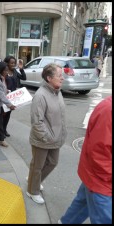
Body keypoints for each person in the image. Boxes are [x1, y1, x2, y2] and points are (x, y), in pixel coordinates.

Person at [59, 96, 112, 224]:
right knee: (104, 218)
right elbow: (99, 153)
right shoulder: (108, 110)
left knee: (83, 203)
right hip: (102, 179)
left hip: (97, 176)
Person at [26, 63, 67, 204]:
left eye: (62, 75)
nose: (63, 78)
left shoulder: (57, 91)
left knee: (52, 163)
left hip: (55, 138)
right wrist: (47, 137)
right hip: (42, 139)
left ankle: (34, 181)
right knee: (37, 166)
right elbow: (37, 122)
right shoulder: (40, 95)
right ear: (49, 78)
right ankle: (32, 190)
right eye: (59, 75)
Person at [3, 56, 26, 137]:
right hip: (5, 96)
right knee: (3, 114)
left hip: (12, 96)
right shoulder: (4, 72)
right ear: (7, 63)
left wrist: (21, 69)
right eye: (11, 63)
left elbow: (24, 78)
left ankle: (4, 129)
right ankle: (0, 131)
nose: (13, 64)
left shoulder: (15, 71)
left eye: (14, 63)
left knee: (8, 114)